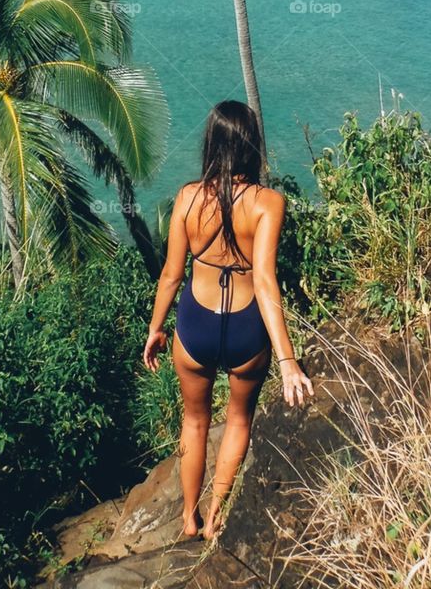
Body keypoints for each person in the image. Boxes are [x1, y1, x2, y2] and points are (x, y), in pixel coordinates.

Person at [143, 99, 314, 540]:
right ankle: (216, 514)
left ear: (212, 143)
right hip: (245, 330)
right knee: (238, 419)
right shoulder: (268, 203)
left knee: (195, 420)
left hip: (196, 326)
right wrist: (287, 360)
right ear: (252, 145)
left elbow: (170, 275)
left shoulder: (186, 198)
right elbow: (264, 281)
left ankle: (188, 517)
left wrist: (155, 329)